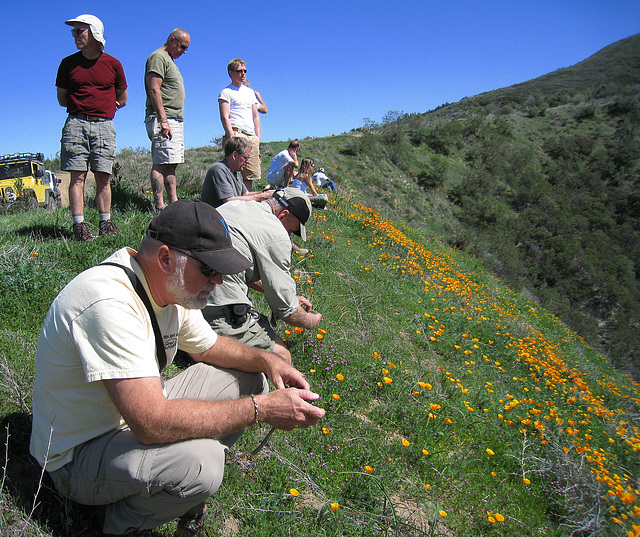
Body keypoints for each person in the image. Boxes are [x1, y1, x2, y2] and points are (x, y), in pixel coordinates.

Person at [29, 199, 325, 536]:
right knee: (203, 465)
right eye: (209, 269)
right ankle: (117, 523)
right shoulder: (109, 303)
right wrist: (260, 411)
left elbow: (209, 346)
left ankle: (164, 483)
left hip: (126, 420)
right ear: (166, 258)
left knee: (251, 377)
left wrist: (268, 360)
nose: (218, 281)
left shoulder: (165, 284)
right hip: (77, 457)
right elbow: (150, 423)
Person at [203, 188, 322, 364]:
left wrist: (286, 295)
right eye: (291, 230)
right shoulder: (277, 235)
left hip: (182, 296)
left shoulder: (237, 205)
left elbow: (236, 264)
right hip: (214, 309)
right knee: (281, 357)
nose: (289, 236)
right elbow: (288, 312)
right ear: (284, 214)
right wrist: (311, 321)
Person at [57, 14, 128, 242]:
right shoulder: (68, 64)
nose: (75, 35)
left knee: (103, 176)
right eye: (74, 31)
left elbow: (123, 98)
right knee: (77, 177)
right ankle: (79, 227)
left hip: (104, 125)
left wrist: (104, 106)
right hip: (76, 123)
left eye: (80, 31)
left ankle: (105, 222)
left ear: (95, 33)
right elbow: (62, 99)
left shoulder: (113, 64)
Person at [145, 28, 190, 212]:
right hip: (164, 118)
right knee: (161, 162)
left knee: (171, 163)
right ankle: (160, 206)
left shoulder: (169, 59)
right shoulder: (158, 57)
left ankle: (173, 204)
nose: (184, 51)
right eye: (183, 46)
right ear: (173, 40)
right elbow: (154, 89)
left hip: (173, 119)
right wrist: (163, 120)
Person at [218, 59, 261, 191]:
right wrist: (231, 136)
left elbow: (255, 115)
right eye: (239, 71)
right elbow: (225, 116)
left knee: (249, 173)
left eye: (245, 71)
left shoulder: (250, 92)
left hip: (251, 136)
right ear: (231, 73)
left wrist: (257, 136)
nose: (243, 74)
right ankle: (232, 200)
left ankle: (246, 201)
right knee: (233, 171)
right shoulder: (226, 92)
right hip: (237, 133)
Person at [201, 137, 272, 208]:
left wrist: (266, 193)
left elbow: (245, 194)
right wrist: (262, 196)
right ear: (234, 155)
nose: (248, 161)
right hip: (216, 216)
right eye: (245, 157)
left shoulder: (237, 171)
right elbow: (229, 201)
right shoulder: (219, 169)